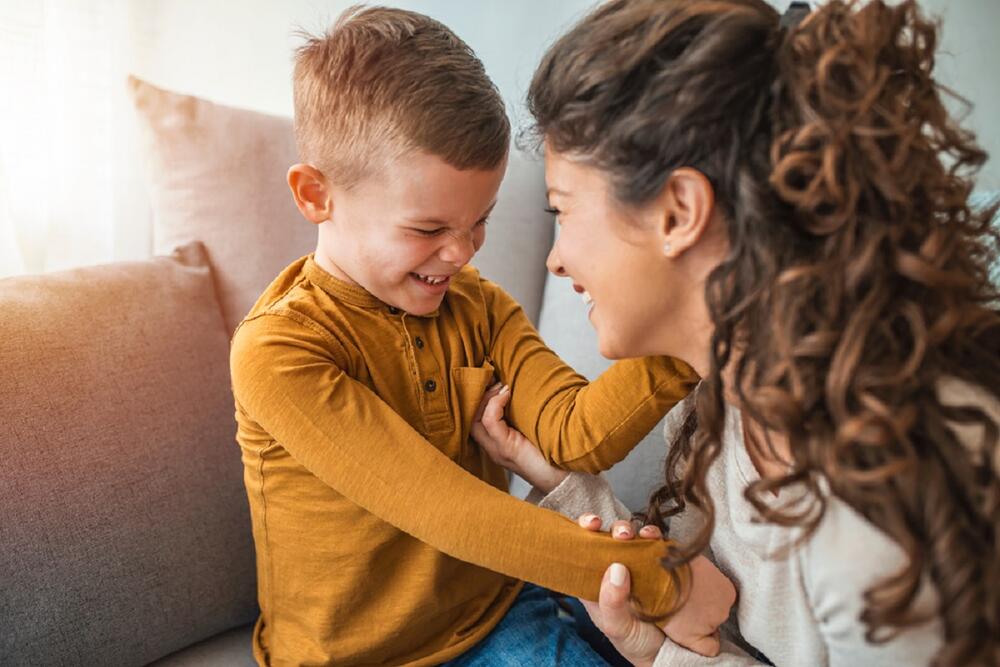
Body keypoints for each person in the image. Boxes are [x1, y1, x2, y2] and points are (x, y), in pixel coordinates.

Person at [472, 0, 1000, 665]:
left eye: (565, 211)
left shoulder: (878, 512)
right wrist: (649, 639)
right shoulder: (721, 401)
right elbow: (713, 617)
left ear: (679, 212)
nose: (556, 257)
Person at [227, 6, 734, 666]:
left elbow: (572, 429)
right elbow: (450, 511)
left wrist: (694, 331)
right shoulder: (279, 351)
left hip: (499, 605)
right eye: (429, 228)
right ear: (316, 195)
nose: (462, 252)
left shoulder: (475, 305)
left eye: (480, 221)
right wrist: (661, 578)